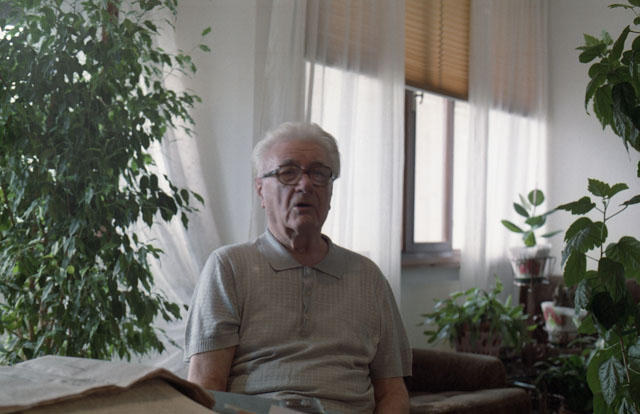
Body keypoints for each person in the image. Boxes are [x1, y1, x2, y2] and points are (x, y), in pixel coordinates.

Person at [184, 122, 412, 414]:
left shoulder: (368, 277)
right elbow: (206, 387)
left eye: (319, 173)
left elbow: (392, 392)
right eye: (288, 172)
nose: (305, 185)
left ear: (330, 191)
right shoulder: (228, 267)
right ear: (260, 190)